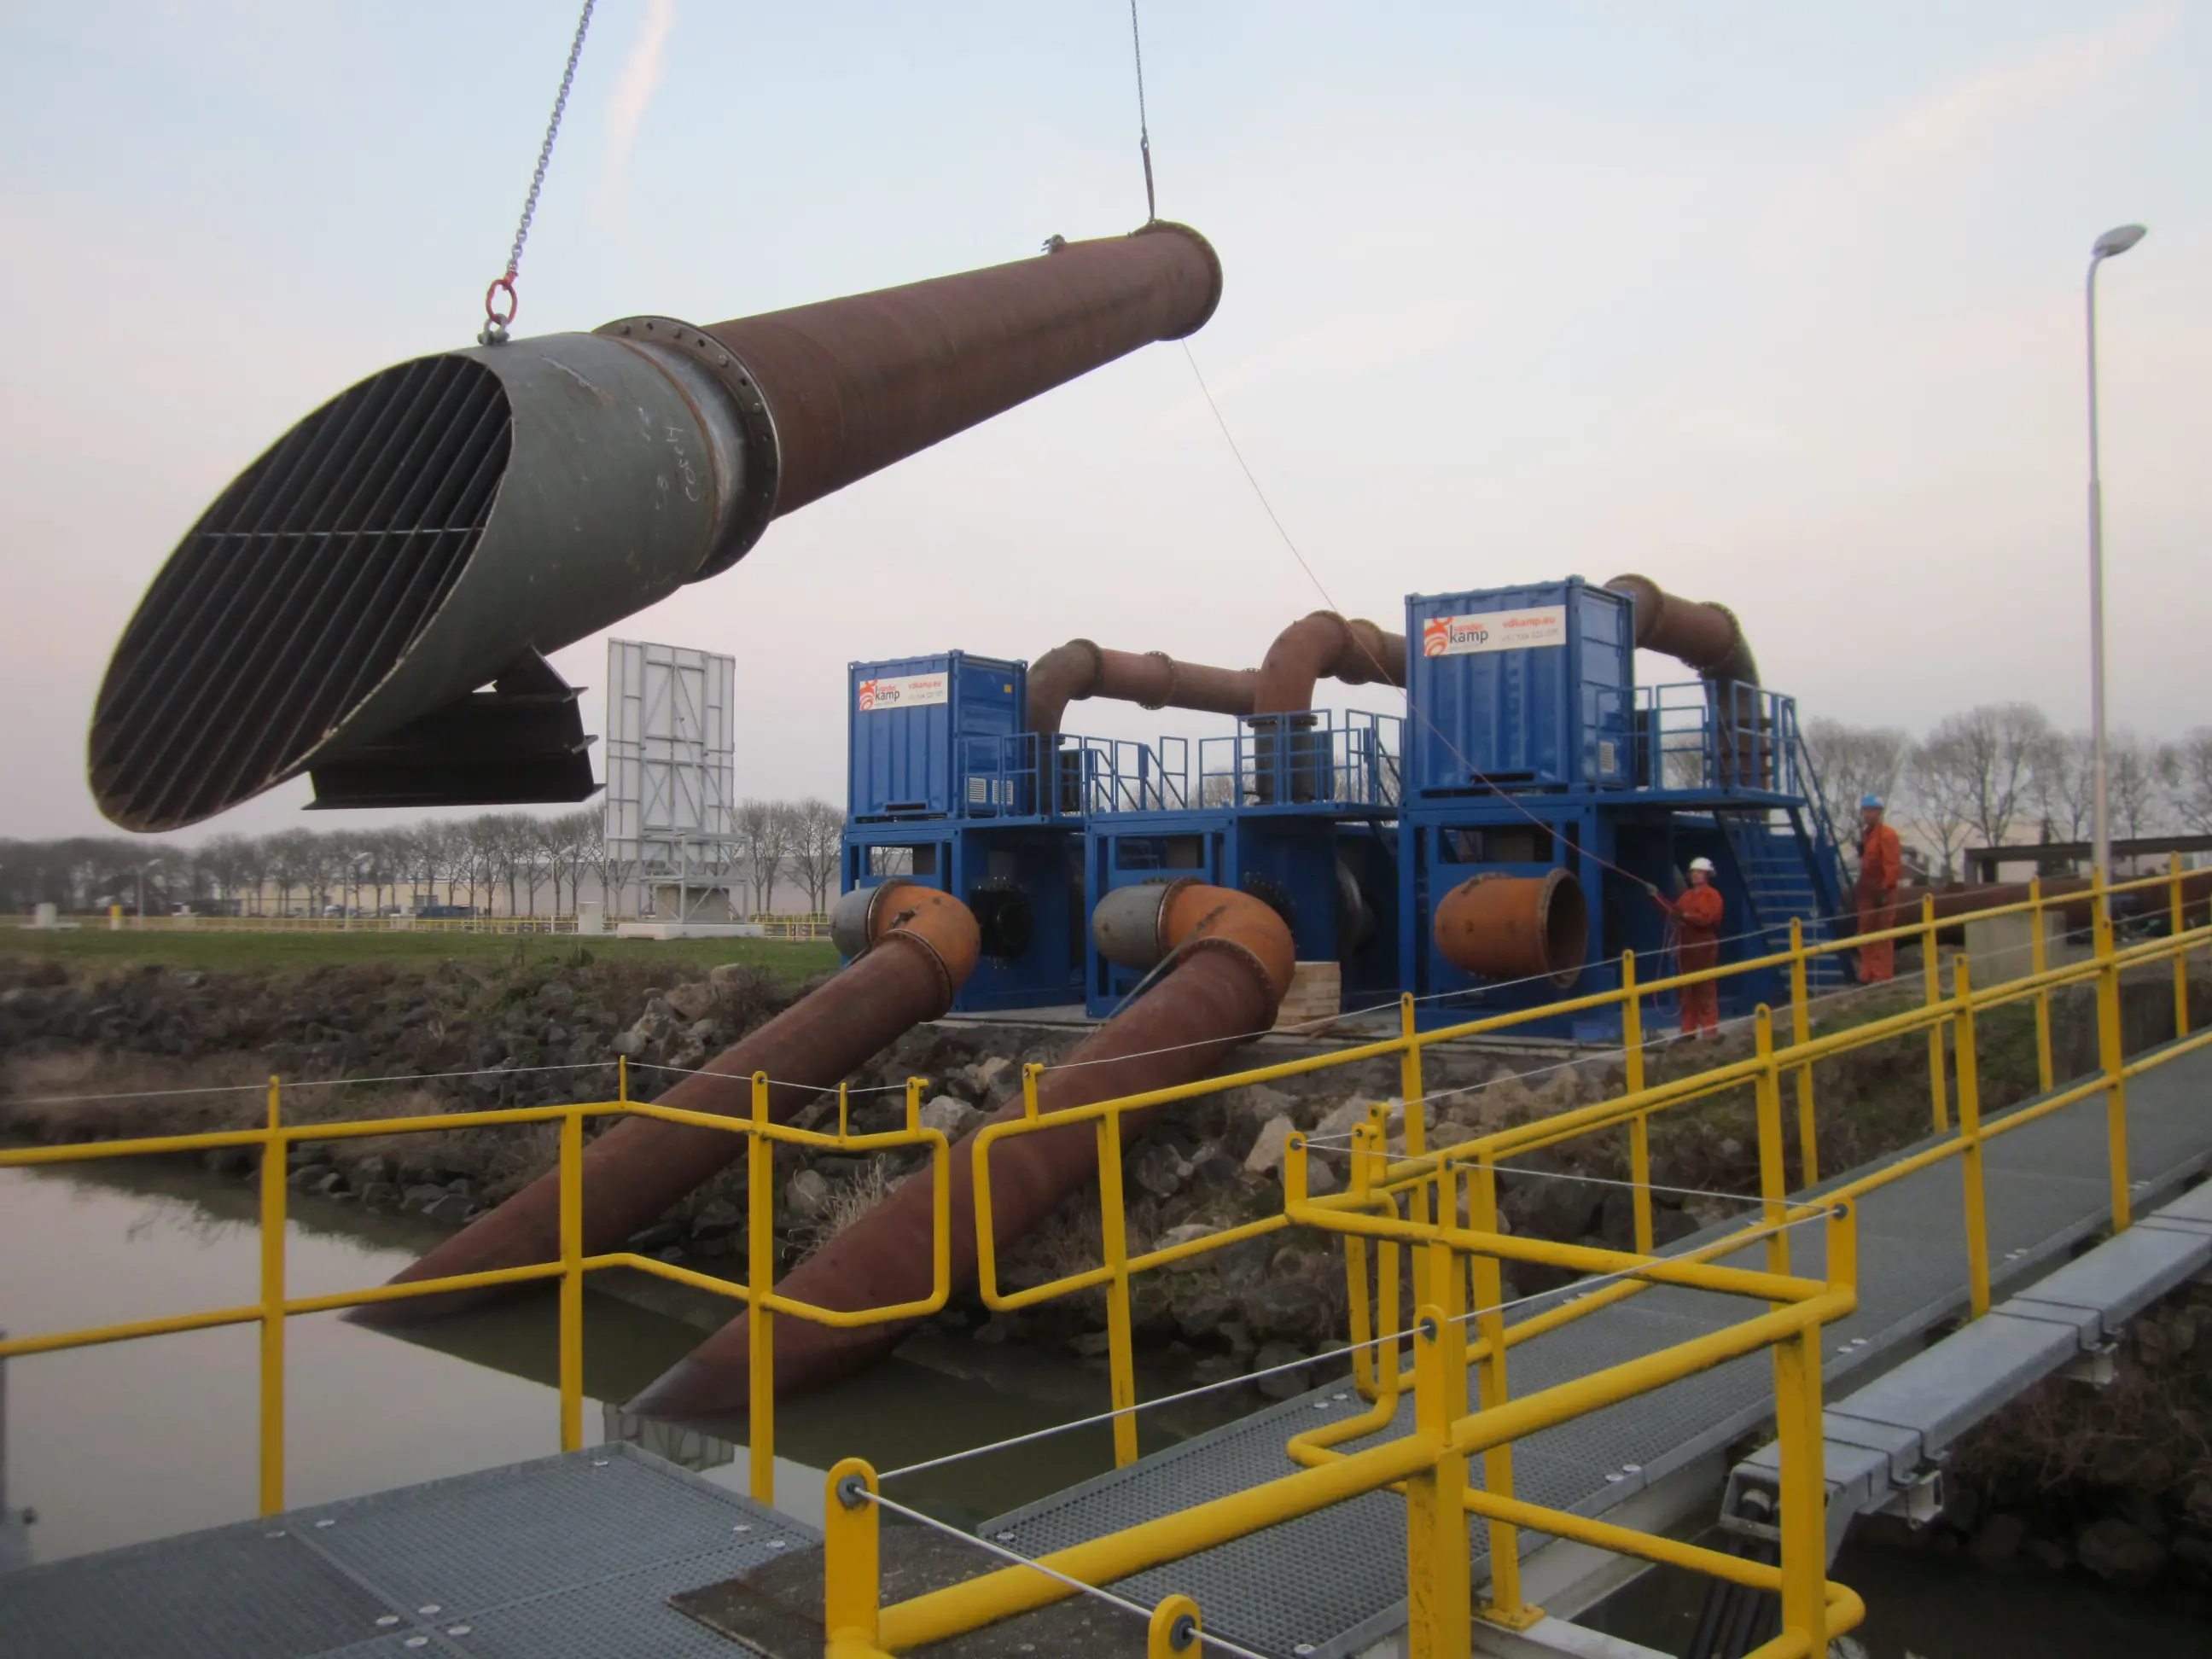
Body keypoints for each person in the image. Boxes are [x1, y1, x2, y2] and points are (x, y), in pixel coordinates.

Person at [1655, 857, 1725, 1039]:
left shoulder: (1712, 895)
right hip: (1686, 949)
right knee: (1687, 991)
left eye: (1699, 871)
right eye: (1693, 872)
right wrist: (1656, 898)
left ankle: (1710, 1032)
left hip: (1704, 947)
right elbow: (1672, 913)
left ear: (1707, 874)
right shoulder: (1686, 896)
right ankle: (1688, 1031)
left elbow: (1706, 918)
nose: (1695, 874)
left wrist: (1684, 915)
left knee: (1706, 990)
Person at [1855, 794, 1903, 983]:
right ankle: (1867, 974)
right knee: (1865, 933)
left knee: (1882, 934)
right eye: (1866, 810)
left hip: (1882, 892)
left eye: (1872, 810)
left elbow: (1892, 865)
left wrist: (1885, 890)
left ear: (1879, 813)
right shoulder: (1867, 836)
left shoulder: (1887, 835)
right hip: (1867, 892)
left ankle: (1881, 975)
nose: (1868, 814)